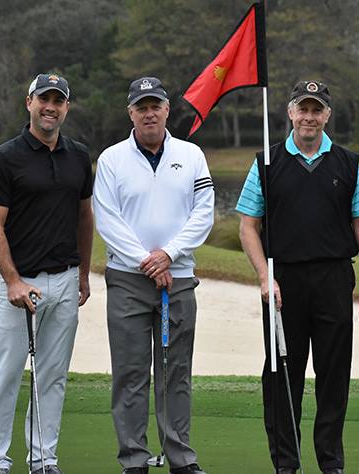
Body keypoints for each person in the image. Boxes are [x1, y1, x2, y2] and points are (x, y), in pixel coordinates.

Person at [236, 80, 359, 474]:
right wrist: (265, 277)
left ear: (327, 115)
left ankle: (330, 462)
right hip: (284, 282)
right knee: (283, 374)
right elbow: (248, 226)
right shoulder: (267, 162)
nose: (310, 116)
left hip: (334, 279)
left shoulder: (347, 163)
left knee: (334, 375)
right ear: (290, 112)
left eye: (317, 109)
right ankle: (287, 462)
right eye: (304, 108)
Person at [93, 76, 214, 474]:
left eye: (155, 105)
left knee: (175, 373)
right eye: (141, 106)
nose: (149, 112)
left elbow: (204, 213)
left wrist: (169, 254)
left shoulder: (191, 155)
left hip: (178, 279)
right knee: (130, 373)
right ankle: (134, 460)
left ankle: (180, 458)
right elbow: (107, 219)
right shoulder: (112, 159)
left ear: (166, 110)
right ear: (131, 112)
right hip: (128, 278)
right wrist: (148, 261)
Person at [0, 73, 94, 474]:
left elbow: (84, 215)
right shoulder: (5, 158)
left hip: (65, 280)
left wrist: (83, 274)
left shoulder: (78, 156)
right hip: (19, 283)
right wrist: (11, 280)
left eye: (58, 100)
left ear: (66, 107)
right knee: (6, 373)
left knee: (53, 377)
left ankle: (44, 460)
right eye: (43, 98)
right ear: (28, 102)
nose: (51, 106)